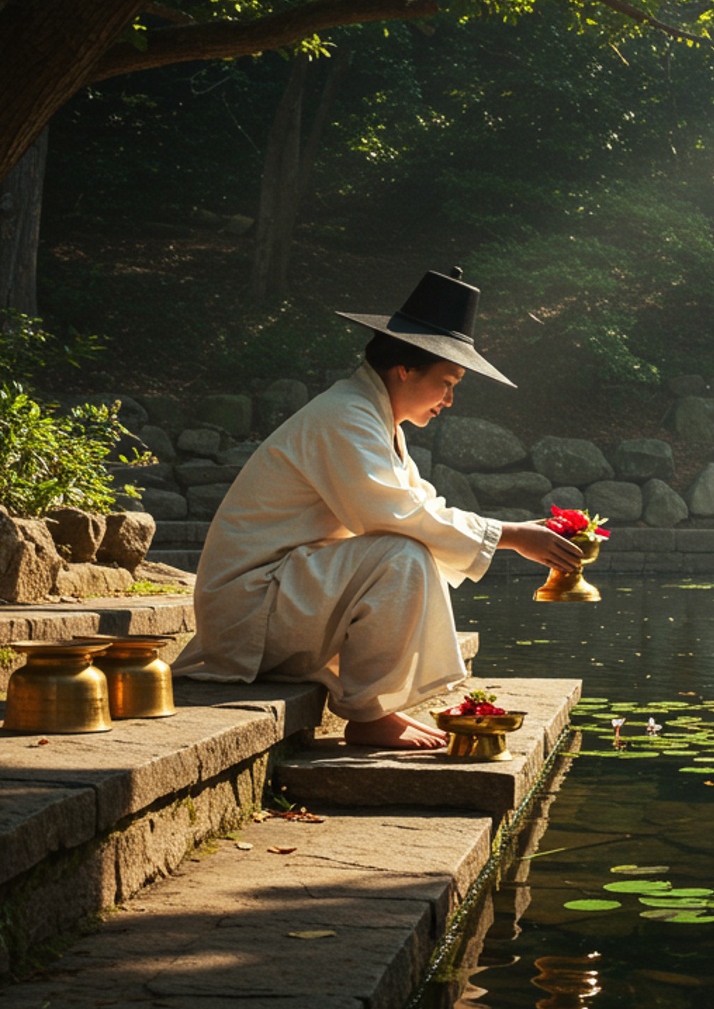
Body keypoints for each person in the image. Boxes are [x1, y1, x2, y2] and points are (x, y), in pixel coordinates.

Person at [169, 268, 585, 748]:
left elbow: (420, 505)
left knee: (408, 548)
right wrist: (510, 536)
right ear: (405, 367)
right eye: (447, 382)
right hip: (252, 606)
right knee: (401, 555)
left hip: (276, 594)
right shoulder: (346, 415)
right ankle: (369, 714)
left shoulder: (370, 415)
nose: (450, 400)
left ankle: (379, 707)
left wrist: (515, 531)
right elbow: (396, 514)